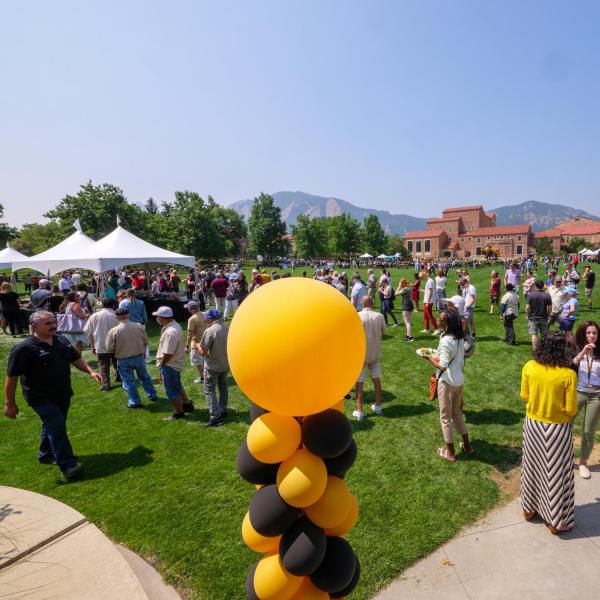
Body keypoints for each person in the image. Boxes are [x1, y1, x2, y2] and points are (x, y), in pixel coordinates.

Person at [4, 310, 102, 479]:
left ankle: (45, 454)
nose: (54, 325)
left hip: (63, 394)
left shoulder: (61, 340)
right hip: (40, 398)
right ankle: (68, 465)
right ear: (34, 326)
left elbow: (76, 358)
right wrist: (9, 404)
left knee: (52, 425)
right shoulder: (23, 349)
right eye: (48, 323)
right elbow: (11, 378)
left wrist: (91, 371)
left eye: (54, 322)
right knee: (58, 427)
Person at [520, 332, 578, 534]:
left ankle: (529, 509)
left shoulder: (529, 366)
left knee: (531, 467)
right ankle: (555, 521)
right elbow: (571, 409)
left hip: (532, 425)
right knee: (556, 473)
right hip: (556, 429)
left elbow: (524, 396)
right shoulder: (568, 374)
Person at [423, 310, 473, 462]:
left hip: (447, 381)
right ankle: (468, 446)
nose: (437, 319)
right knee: (457, 413)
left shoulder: (446, 340)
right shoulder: (458, 337)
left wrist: (429, 358)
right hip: (459, 380)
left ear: (446, 324)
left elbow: (443, 366)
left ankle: (450, 454)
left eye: (440, 318)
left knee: (445, 418)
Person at [106, 307, 157, 407]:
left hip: (123, 359)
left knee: (129, 381)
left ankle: (135, 401)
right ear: (128, 315)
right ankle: (152, 395)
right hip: (138, 357)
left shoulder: (113, 331)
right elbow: (146, 341)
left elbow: (109, 348)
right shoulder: (139, 326)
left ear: (116, 318)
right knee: (145, 377)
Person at [571, 321, 600, 480]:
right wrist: (582, 353)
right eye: (589, 333)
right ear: (583, 333)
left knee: (589, 430)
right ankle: (562, 457)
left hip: (596, 395)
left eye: (594, 333)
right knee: (564, 425)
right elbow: (569, 366)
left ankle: (583, 462)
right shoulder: (576, 348)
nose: (592, 336)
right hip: (578, 392)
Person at [154, 306, 193, 421]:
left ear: (162, 317)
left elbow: (168, 353)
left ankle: (179, 412)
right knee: (177, 384)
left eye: (158, 316)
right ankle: (187, 404)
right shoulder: (175, 326)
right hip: (175, 363)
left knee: (171, 390)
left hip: (170, 364)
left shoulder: (170, 332)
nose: (157, 318)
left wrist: (163, 364)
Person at [353, 296, 386, 421]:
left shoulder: (358, 316)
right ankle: (377, 406)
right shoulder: (379, 316)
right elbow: (384, 332)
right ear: (372, 303)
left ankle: (360, 411)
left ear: (362, 304)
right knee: (376, 380)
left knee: (359, 383)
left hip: (361, 354)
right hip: (375, 353)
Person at [198, 309, 229, 427]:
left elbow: (203, 351)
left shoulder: (210, 330)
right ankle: (223, 410)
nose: (205, 319)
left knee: (209, 390)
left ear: (210, 319)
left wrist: (196, 345)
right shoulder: (227, 328)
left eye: (206, 317)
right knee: (223, 387)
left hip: (213, 366)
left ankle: (215, 417)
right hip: (225, 364)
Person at [84, 298, 120, 391]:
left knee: (103, 365)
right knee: (118, 362)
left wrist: (93, 345)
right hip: (116, 344)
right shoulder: (117, 315)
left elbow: (88, 332)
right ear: (113, 305)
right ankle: (119, 377)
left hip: (100, 344)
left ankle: (105, 384)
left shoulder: (94, 316)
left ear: (102, 305)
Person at [184, 300, 207, 384]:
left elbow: (190, 334)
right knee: (206, 360)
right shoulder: (205, 314)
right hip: (207, 342)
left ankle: (203, 378)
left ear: (192, 309)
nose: (188, 310)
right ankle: (208, 376)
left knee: (198, 362)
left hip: (197, 344)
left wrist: (186, 346)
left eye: (189, 309)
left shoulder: (192, 319)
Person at [526, 280, 552, 350]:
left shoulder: (530, 295)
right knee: (544, 334)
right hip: (543, 317)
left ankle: (535, 350)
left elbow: (528, 307)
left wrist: (528, 315)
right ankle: (544, 349)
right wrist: (548, 315)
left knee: (534, 334)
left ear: (535, 285)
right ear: (543, 286)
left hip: (533, 318)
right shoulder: (547, 295)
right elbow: (550, 308)